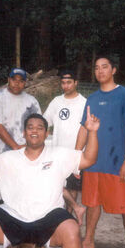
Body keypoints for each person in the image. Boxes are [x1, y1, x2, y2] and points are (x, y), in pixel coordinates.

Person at [0, 111, 100, 248]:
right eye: (30, 127)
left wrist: (92, 132)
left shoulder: (60, 154)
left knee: (72, 230)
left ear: (46, 133)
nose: (34, 130)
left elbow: (88, 159)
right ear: (24, 133)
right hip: (13, 214)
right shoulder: (8, 158)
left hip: (50, 215)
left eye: (39, 128)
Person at [75, 56, 125, 248]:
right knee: (92, 203)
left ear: (113, 70)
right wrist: (76, 158)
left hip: (115, 163)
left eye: (105, 67)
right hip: (93, 162)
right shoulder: (92, 99)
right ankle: (88, 238)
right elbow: (84, 129)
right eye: (96, 68)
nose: (100, 71)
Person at [43, 70, 86, 223]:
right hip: (56, 152)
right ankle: (57, 214)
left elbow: (86, 129)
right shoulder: (56, 101)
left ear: (76, 83)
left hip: (75, 154)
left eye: (69, 82)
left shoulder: (84, 103)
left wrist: (79, 153)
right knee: (56, 185)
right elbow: (45, 121)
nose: (66, 86)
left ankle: (67, 218)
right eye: (63, 83)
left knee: (73, 188)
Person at [0, 68, 41, 158]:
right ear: (8, 80)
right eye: (14, 79)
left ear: (25, 82)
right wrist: (16, 147)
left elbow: (37, 126)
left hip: (24, 153)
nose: (17, 83)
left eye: (21, 80)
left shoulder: (32, 101)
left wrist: (31, 147)